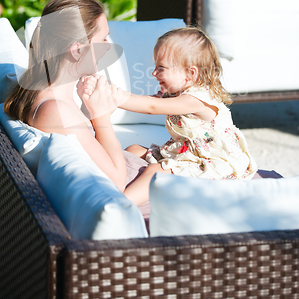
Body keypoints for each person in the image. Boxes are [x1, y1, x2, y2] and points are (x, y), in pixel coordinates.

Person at [84, 27, 257, 206]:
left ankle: (119, 205)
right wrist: (112, 94)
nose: (154, 73)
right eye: (155, 67)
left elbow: (152, 107)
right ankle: (108, 177)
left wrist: (114, 97)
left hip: (208, 160)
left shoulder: (196, 99)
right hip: (184, 151)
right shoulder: (178, 93)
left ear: (191, 73)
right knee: (135, 148)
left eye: (161, 68)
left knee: (156, 171)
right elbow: (148, 100)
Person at [4, 0, 127, 192]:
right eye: (103, 38)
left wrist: (89, 109)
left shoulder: (49, 92)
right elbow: (116, 182)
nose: (107, 46)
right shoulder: (55, 110)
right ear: (77, 50)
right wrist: (101, 116)